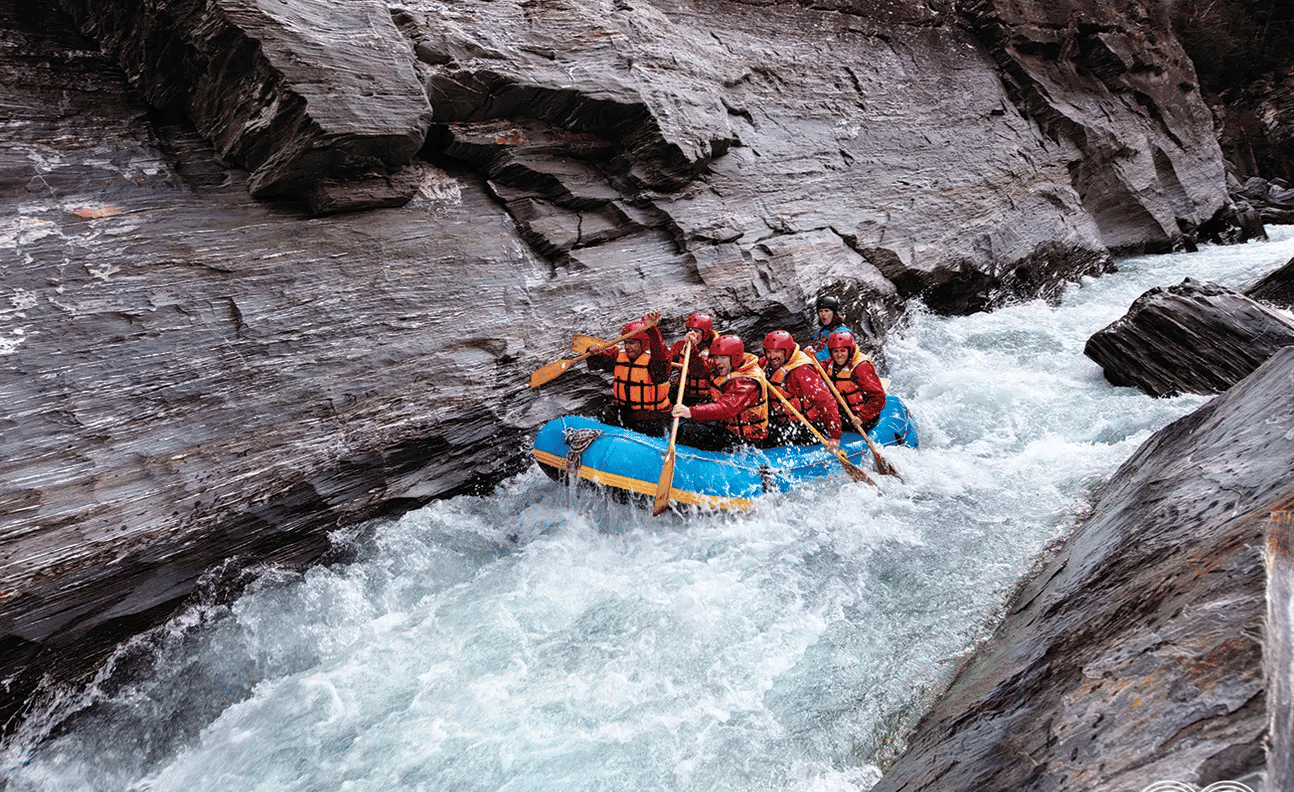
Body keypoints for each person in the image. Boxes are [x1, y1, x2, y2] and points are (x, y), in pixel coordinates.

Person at [670, 335, 770, 452]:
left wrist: (691, 412)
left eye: (722, 358)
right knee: (685, 425)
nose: (718, 362)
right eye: (716, 358)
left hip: (746, 440)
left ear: (735, 357)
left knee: (688, 431)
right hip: (726, 427)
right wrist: (692, 350)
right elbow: (700, 370)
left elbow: (726, 409)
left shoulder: (747, 382)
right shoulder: (727, 364)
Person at [587, 312, 672, 436]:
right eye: (625, 343)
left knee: (645, 427)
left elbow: (661, 356)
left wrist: (652, 331)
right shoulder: (619, 355)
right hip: (626, 411)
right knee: (605, 412)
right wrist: (594, 353)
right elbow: (597, 363)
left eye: (632, 343)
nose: (627, 347)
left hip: (651, 417)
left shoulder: (655, 362)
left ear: (643, 343)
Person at [760, 330, 842, 450]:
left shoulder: (801, 372)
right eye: (768, 352)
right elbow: (750, 364)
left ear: (787, 352)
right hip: (784, 422)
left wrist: (835, 435)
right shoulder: (768, 363)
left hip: (809, 426)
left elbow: (826, 402)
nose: (772, 356)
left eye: (777, 351)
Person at [824, 330, 887, 431]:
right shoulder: (830, 364)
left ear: (850, 350)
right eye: (835, 351)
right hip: (845, 412)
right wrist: (810, 357)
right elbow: (814, 370)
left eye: (843, 350)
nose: (839, 355)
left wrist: (862, 417)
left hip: (863, 416)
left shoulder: (861, 368)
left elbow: (878, 397)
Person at [668, 312, 718, 406]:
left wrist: (692, 350)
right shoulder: (680, 345)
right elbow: (665, 358)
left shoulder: (716, 351)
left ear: (706, 334)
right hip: (684, 392)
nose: (691, 334)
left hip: (706, 398)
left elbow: (700, 371)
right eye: (689, 330)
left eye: (696, 331)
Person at [808, 295, 853, 362]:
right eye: (820, 311)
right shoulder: (818, 333)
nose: (823, 314)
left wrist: (807, 358)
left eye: (826, 311)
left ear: (834, 313)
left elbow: (826, 356)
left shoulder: (842, 333)